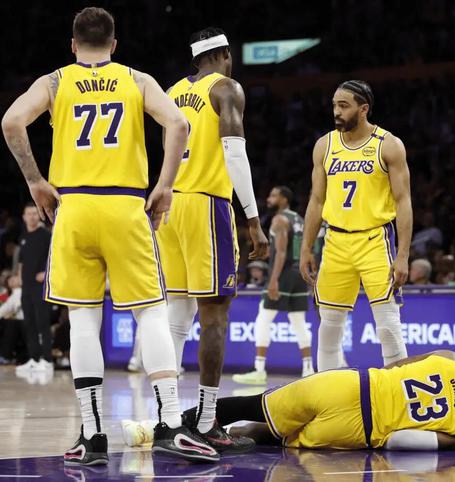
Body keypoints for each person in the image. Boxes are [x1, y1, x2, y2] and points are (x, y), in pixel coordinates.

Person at [1, 7, 218, 464]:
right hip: (125, 206)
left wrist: (35, 182)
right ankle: (170, 424)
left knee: (83, 321)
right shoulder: (136, 79)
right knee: (151, 313)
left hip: (74, 208)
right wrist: (165, 186)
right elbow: (179, 124)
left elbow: (11, 121)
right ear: (115, 44)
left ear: (73, 44)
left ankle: (92, 436)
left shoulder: (55, 81)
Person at [155, 26, 268, 453]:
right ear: (224, 54)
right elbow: (235, 154)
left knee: (176, 317)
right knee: (215, 315)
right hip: (206, 204)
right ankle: (206, 421)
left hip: (171, 207)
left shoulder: (171, 92)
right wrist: (252, 218)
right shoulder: (226, 88)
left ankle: (167, 419)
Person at [123, 350, 455, 451]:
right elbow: (403, 441)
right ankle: (227, 438)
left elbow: (398, 364)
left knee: (252, 403)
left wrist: (378, 380)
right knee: (267, 435)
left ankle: (153, 430)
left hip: (351, 385)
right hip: (356, 429)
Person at [300, 80, 413, 370]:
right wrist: (306, 248)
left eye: (343, 106)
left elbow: (403, 202)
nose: (336, 112)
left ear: (363, 109)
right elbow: (316, 201)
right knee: (329, 326)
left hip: (375, 240)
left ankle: (398, 392)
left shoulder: (388, 145)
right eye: (334, 105)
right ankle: (327, 392)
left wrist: (402, 254)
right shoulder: (324, 145)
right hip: (335, 241)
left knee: (388, 326)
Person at [233, 186, 314, 385]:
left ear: (284, 199)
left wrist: (273, 280)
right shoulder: (299, 219)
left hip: (283, 273)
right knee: (299, 322)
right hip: (299, 274)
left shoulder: (279, 220)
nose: (269, 199)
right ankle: (308, 369)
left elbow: (282, 251)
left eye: (274, 195)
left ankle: (259, 370)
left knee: (263, 319)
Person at [15, 203, 52, 372]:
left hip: (40, 286)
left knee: (42, 322)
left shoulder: (45, 235)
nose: (31, 216)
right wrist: (18, 277)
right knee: (29, 323)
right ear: (24, 217)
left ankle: (47, 359)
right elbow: (21, 261)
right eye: (28, 214)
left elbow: (54, 255)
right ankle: (34, 358)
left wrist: (46, 273)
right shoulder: (23, 237)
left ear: (39, 215)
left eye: (34, 213)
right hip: (26, 287)